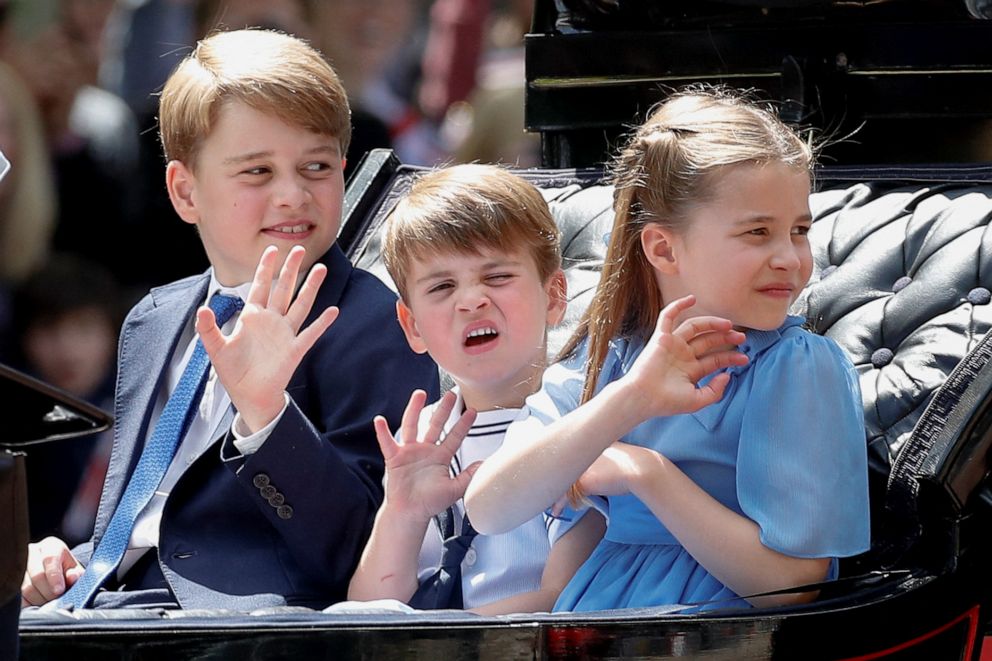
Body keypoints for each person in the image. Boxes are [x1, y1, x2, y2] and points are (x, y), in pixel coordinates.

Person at [19, 28, 438, 611]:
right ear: (185, 191)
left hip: (247, 627)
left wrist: (267, 414)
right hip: (102, 608)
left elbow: (363, 556)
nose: (293, 194)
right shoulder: (154, 319)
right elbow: (151, 522)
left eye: (317, 166)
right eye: (258, 172)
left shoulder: (378, 323)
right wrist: (67, 559)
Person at [464, 88, 871, 612]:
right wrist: (630, 399)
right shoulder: (610, 359)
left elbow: (790, 584)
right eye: (757, 233)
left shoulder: (796, 367)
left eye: (798, 231)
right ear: (663, 247)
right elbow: (490, 508)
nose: (789, 258)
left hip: (717, 636)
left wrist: (647, 474)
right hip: (599, 620)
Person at [347, 164, 605, 614]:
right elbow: (371, 608)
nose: (471, 300)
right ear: (413, 327)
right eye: (443, 286)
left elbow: (565, 599)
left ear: (555, 295)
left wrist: (427, 642)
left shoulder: (585, 422)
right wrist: (403, 512)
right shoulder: (423, 440)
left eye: (497, 277)